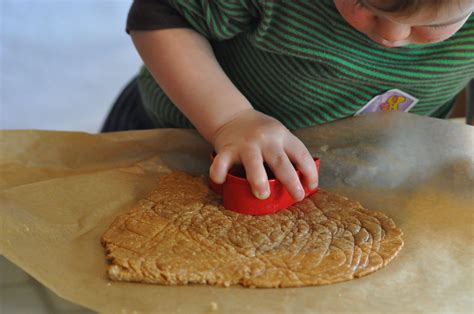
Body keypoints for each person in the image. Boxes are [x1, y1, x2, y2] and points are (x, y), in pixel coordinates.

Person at [102, 0, 474, 201]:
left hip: (362, 173)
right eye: (364, 2)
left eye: (435, 23)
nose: (392, 35)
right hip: (180, 133)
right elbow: (161, 12)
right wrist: (231, 118)